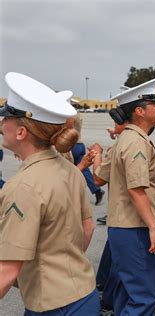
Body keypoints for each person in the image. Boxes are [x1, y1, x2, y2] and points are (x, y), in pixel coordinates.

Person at [0, 72, 99, 314]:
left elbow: (7, 270)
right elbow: (88, 228)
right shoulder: (70, 170)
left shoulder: (22, 187)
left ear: (21, 132)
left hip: (52, 306)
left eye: (6, 118)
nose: (1, 124)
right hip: (83, 295)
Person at [99, 78, 155, 315]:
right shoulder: (136, 143)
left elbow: (103, 178)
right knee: (143, 299)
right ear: (139, 111)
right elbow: (134, 189)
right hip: (134, 228)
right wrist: (154, 227)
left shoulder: (123, 140)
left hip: (127, 227)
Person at [69, 99, 105, 205]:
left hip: (71, 145)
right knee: (84, 170)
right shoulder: (78, 115)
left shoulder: (70, 116)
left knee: (69, 170)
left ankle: (71, 194)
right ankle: (97, 190)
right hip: (79, 144)